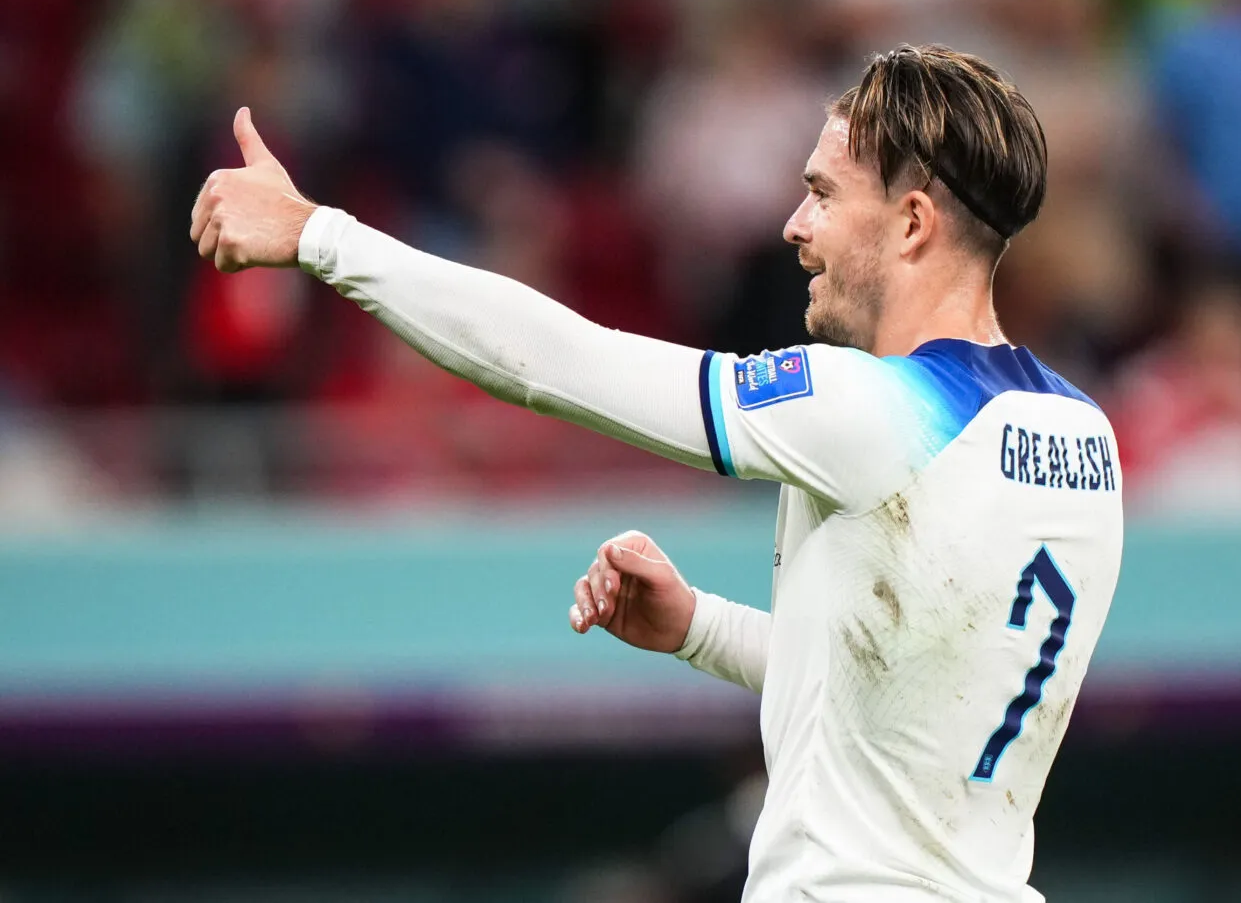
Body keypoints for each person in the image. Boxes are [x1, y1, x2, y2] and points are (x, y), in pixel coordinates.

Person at [190, 45, 1124, 903]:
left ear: (914, 221)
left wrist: (318, 235)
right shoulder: (1083, 438)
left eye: (826, 195)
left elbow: (560, 363)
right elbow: (907, 687)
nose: (796, 226)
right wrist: (699, 626)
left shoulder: (871, 407)